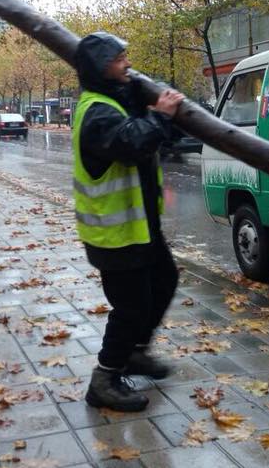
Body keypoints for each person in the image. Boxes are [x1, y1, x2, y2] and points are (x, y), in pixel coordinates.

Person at [72, 32, 185, 412]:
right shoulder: (97, 112)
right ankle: (104, 378)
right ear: (100, 68)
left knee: (165, 280)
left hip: (139, 229)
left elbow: (155, 134)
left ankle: (135, 352)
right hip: (114, 234)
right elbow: (131, 142)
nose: (127, 64)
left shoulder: (118, 98)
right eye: (119, 59)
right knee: (131, 306)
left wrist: (158, 107)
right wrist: (159, 115)